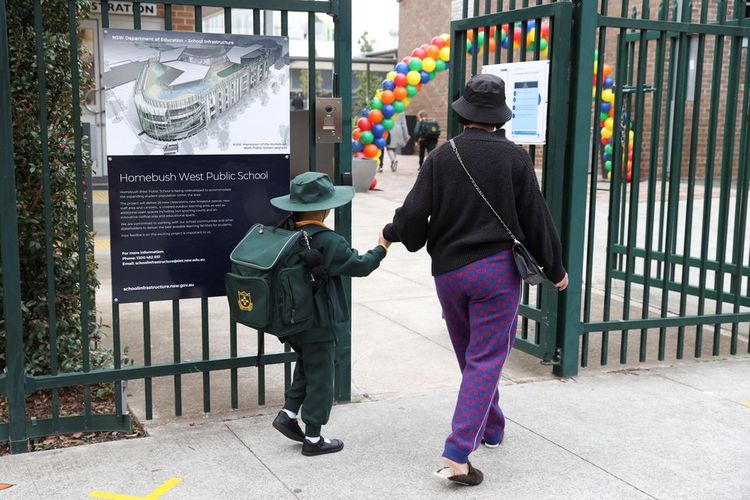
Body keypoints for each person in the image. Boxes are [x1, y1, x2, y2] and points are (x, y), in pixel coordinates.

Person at [381, 74, 569, 485]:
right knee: (486, 359)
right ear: (500, 116)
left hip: (448, 273)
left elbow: (413, 215)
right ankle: (457, 454)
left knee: (474, 358)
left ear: (464, 111)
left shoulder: (442, 156)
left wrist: (393, 234)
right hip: (495, 273)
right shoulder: (515, 159)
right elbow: (537, 220)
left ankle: (492, 426)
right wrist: (555, 270)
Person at [269, 171, 391, 456]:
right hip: (318, 321)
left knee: (306, 364)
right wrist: (382, 247)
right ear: (324, 209)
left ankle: (287, 414)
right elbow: (360, 265)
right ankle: (313, 438)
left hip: (292, 320)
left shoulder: (285, 231)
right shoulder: (328, 241)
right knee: (322, 375)